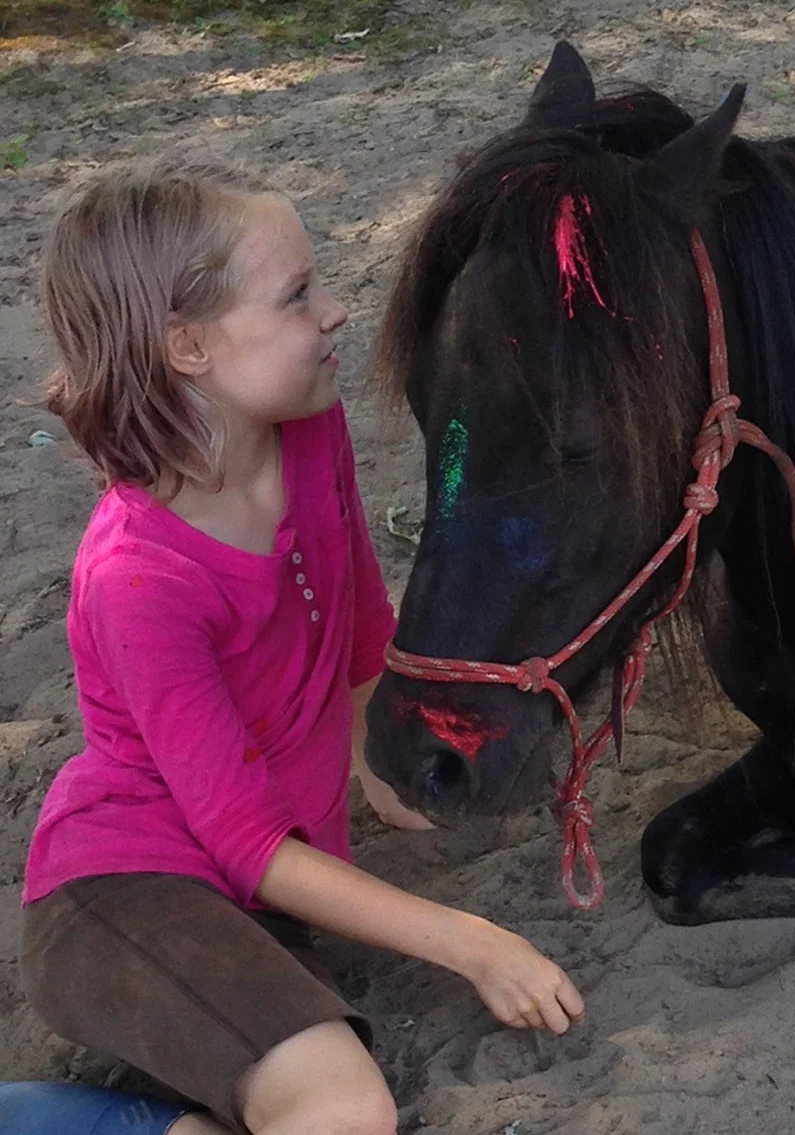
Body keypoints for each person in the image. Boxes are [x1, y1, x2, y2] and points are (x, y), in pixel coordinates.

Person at [13, 162, 584, 1135]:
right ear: (187, 345)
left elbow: (359, 620)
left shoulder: (310, 431)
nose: (335, 310)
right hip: (121, 894)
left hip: (254, 900)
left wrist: (377, 758)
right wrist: (471, 940)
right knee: (341, 1110)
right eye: (295, 296)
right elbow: (242, 843)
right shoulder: (139, 578)